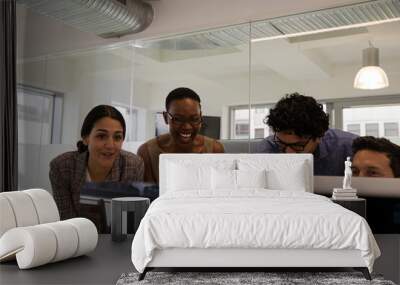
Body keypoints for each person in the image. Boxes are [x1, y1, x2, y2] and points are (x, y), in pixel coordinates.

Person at [49, 105, 144, 220]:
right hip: (76, 235)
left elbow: (128, 220)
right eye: (101, 136)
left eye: (117, 137)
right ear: (85, 138)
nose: (110, 145)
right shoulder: (62, 167)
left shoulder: (132, 165)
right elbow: (67, 220)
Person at [137, 87, 224, 184]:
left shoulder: (215, 149)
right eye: (178, 119)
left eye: (194, 119)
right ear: (166, 117)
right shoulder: (147, 152)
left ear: (200, 117)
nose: (187, 127)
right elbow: (150, 195)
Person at [257, 93, 357, 176]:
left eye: (297, 146)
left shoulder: (350, 148)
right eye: (281, 143)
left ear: (319, 136)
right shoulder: (267, 148)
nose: (288, 153)